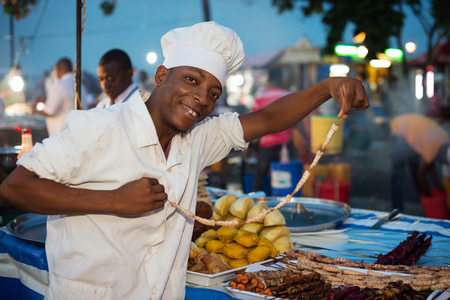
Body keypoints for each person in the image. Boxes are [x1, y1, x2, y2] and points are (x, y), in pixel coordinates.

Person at [0, 21, 369, 300]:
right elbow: (15, 188)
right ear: (162, 76)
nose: (201, 99)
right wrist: (112, 201)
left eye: (212, 93)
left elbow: (267, 120)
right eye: (191, 79)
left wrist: (327, 87)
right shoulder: (99, 127)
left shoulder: (196, 140)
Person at [250, 67, 296, 192]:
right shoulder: (289, 96)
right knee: (285, 179)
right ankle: (283, 203)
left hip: (267, 146)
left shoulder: (260, 98)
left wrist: (249, 146)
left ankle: (254, 202)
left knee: (260, 176)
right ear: (281, 80)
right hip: (286, 145)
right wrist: (307, 140)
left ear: (268, 80)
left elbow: (253, 124)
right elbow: (298, 121)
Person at [31, 58, 87, 137]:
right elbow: (66, 104)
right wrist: (44, 100)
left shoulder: (60, 85)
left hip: (63, 135)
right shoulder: (80, 85)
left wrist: (35, 110)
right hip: (78, 132)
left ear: (59, 69)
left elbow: (50, 111)